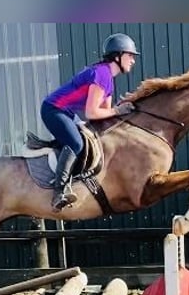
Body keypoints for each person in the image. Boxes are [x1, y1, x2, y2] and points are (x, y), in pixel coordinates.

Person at [41, 33, 139, 211]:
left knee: (90, 138)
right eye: (130, 55)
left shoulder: (108, 78)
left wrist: (127, 114)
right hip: (53, 110)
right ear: (118, 56)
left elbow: (105, 114)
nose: (133, 60)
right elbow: (92, 112)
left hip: (66, 112)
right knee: (76, 143)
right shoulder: (101, 74)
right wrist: (118, 110)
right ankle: (58, 192)